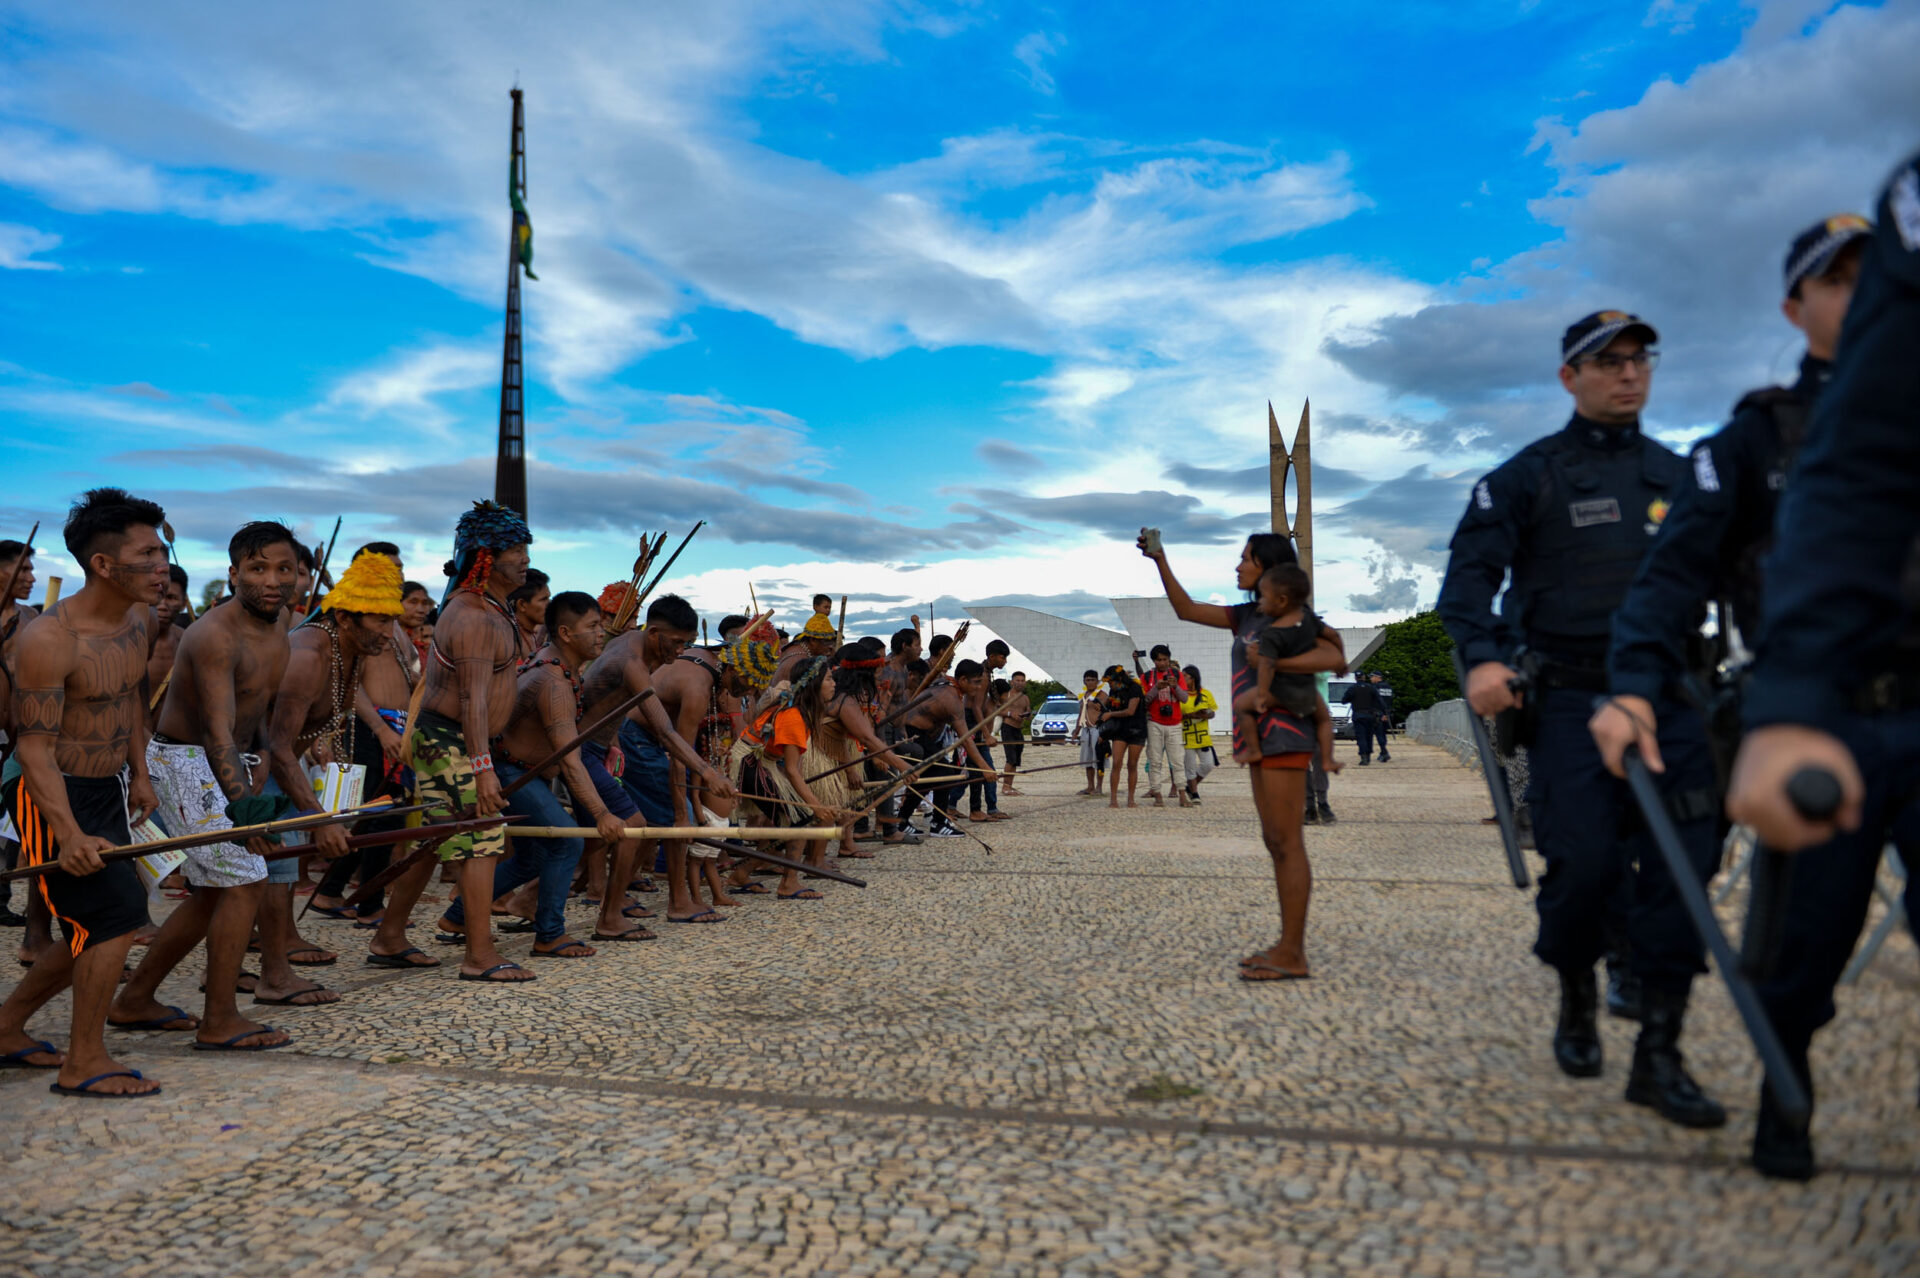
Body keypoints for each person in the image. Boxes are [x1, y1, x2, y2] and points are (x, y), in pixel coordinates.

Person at [1437, 309, 1727, 1130]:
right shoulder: (1526, 477)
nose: (1629, 374)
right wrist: (1486, 658)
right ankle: (1576, 991)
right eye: (1609, 362)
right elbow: (1467, 585)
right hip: (1566, 698)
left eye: (1641, 359)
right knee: (1587, 863)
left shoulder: (1683, 477)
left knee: (1685, 869)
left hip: (1671, 699)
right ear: (1570, 376)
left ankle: (1660, 1051)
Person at [1720, 157, 1920, 1179]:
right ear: (1798, 303)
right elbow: (1686, 572)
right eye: (1838, 278)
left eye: (1865, 274)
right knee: (1807, 948)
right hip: (1836, 710)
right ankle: (1782, 1086)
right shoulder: (1761, 433)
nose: (1858, 292)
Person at [114, 521, 332, 1054]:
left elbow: (255, 717)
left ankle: (136, 997)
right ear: (233, 574)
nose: (273, 580)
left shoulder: (281, 623)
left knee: (216, 893)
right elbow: (215, 733)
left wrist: (260, 776)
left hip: (232, 761)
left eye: (285, 569)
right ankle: (219, 1019)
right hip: (185, 761)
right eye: (258, 568)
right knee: (244, 880)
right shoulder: (213, 634)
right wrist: (247, 810)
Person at [0, 488, 169, 1096]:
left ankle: (7, 1027)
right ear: (103, 564)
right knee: (116, 917)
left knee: (91, 923)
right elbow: (33, 748)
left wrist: (140, 772)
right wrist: (66, 834)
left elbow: (126, 700)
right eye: (148, 554)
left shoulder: (140, 619)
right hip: (51, 794)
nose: (163, 566)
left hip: (107, 786)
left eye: (163, 550)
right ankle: (84, 1061)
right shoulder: (48, 639)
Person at [1138, 530, 1345, 981]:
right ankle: (1286, 942)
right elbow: (1186, 610)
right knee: (1275, 840)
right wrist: (1160, 559)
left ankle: (1293, 952)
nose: (1237, 566)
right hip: (1259, 741)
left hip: (1286, 733)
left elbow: (1333, 652)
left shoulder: (1293, 614)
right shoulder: (1249, 614)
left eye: (1245, 559)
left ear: (1268, 568)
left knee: (1288, 842)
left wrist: (1274, 666)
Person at [371, 501, 537, 983]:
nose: (524, 559)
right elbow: (473, 699)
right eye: (515, 551)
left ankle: (389, 937)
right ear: (484, 557)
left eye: (526, 549)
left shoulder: (490, 609)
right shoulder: (472, 617)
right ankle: (479, 955)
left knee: (434, 843)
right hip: (450, 741)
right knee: (480, 842)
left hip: (454, 740)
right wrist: (484, 767)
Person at [438, 591, 630, 957]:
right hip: (512, 773)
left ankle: (457, 916)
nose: (601, 633)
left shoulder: (553, 663)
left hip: (523, 772)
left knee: (531, 857)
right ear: (566, 633)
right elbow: (570, 759)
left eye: (601, 625)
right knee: (567, 840)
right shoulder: (554, 682)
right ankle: (550, 934)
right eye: (592, 626)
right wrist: (602, 813)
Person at [598, 594, 737, 920]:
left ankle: (616, 896)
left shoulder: (699, 658)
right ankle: (678, 902)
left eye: (684, 643)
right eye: (740, 686)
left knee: (647, 821)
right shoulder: (698, 688)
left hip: (639, 736)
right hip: (636, 739)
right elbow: (677, 754)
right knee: (679, 818)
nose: (678, 651)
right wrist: (684, 812)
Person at [731, 657, 843, 898]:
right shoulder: (793, 716)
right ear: (813, 684)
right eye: (828, 679)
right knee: (800, 818)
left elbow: (794, 766)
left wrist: (807, 798)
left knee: (792, 819)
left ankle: (741, 873)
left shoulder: (803, 713)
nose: (834, 684)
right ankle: (788, 883)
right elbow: (791, 769)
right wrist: (814, 805)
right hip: (749, 764)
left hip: (764, 763)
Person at [1233, 565, 1339, 780]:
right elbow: (1334, 635)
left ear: (1281, 601)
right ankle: (1328, 759)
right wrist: (1343, 663)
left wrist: (1262, 693)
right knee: (1324, 720)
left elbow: (1267, 666)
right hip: (1308, 690)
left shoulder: (1272, 633)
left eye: (1263, 598)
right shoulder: (1310, 621)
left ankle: (1253, 749)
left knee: (1242, 707)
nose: (1259, 602)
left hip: (1281, 691)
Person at [895, 658, 996, 838]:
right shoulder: (951, 698)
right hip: (912, 735)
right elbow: (966, 739)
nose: (979, 687)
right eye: (976, 682)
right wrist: (984, 768)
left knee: (929, 777)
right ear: (963, 680)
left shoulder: (949, 685)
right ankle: (939, 824)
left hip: (919, 735)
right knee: (945, 773)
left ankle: (902, 821)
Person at [1136, 646, 1190, 808]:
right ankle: (1157, 793)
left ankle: (1182, 793)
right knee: (1155, 760)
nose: (1162, 663)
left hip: (1174, 722)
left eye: (1165, 659)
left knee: (1178, 761)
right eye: (1159, 660)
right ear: (1153, 661)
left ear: (1169, 659)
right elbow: (1144, 701)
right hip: (1155, 722)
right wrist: (1155, 688)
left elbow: (1185, 698)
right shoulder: (1147, 677)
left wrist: (1175, 686)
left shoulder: (1177, 675)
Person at [1100, 665, 1146, 808]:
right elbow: (1109, 707)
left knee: (1132, 764)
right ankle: (1113, 799)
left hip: (1136, 729)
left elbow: (1131, 711)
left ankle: (1131, 799)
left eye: (1110, 681)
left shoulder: (1134, 688)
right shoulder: (1113, 691)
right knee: (1116, 763)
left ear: (1118, 679)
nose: (1110, 685)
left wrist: (1110, 714)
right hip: (1120, 730)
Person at [145, 565, 189, 695]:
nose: (162, 605)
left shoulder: (189, 642)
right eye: (157, 596)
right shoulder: (129, 642)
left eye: (171, 598)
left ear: (184, 603)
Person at [1179, 664, 1217, 803]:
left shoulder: (1206, 693)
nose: (1182, 679)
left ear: (1193, 678)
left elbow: (1212, 712)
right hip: (1186, 735)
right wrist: (1191, 715)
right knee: (1189, 766)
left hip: (1202, 736)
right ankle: (1194, 793)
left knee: (1208, 764)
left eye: (1185, 676)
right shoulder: (1180, 695)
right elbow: (1176, 715)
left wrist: (1205, 714)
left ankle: (1191, 786)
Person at [1343, 673, 1388, 765]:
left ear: (1355, 678)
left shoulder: (1353, 688)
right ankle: (1368, 755)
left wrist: (1353, 699)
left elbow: (1344, 701)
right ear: (1364, 677)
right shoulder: (1371, 688)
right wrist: (1384, 713)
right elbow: (1380, 701)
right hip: (1370, 716)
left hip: (1358, 715)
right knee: (1369, 737)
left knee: (1361, 737)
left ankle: (1363, 757)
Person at [998, 671, 1029, 795]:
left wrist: (1027, 715)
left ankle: (1009, 786)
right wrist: (1011, 714)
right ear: (1012, 682)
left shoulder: (1025, 697)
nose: (1020, 683)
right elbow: (997, 710)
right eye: (1017, 680)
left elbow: (1028, 711)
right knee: (1010, 758)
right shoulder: (1007, 696)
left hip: (1018, 729)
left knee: (1015, 759)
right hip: (1008, 727)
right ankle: (1005, 787)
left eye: (1022, 680)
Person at [507, 567, 550, 655]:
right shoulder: (508, 637)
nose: (549, 604)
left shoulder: (530, 636)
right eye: (543, 599)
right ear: (522, 605)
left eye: (549, 598)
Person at [1075, 669, 1104, 796]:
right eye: (1087, 680)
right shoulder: (1083, 696)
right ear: (1084, 681)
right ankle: (1090, 786)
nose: (1090, 682)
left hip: (1097, 730)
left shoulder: (1102, 695)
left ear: (1097, 681)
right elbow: (1081, 714)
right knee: (1088, 760)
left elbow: (1106, 713)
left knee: (1098, 759)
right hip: (1086, 729)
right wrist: (1076, 732)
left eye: (1092, 680)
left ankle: (1099, 786)